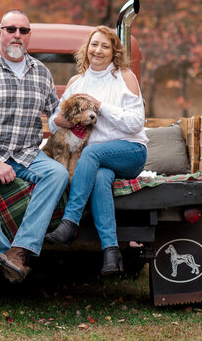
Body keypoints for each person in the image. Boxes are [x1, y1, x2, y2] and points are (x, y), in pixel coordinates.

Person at [0, 9, 69, 283]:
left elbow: (54, 116)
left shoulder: (41, 72)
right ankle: (2, 254)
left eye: (23, 30)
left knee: (58, 175)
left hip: (26, 153)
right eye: (11, 29)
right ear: (0, 33)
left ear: (29, 36)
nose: (17, 35)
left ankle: (21, 249)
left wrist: (78, 116)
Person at [44, 25, 148, 275]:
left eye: (105, 46)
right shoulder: (76, 82)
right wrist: (62, 121)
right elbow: (53, 121)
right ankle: (111, 254)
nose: (98, 50)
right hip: (99, 162)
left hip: (130, 151)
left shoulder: (125, 77)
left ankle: (70, 222)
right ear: (86, 49)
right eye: (94, 44)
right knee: (100, 177)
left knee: (92, 153)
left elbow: (136, 122)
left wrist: (101, 107)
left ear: (114, 52)